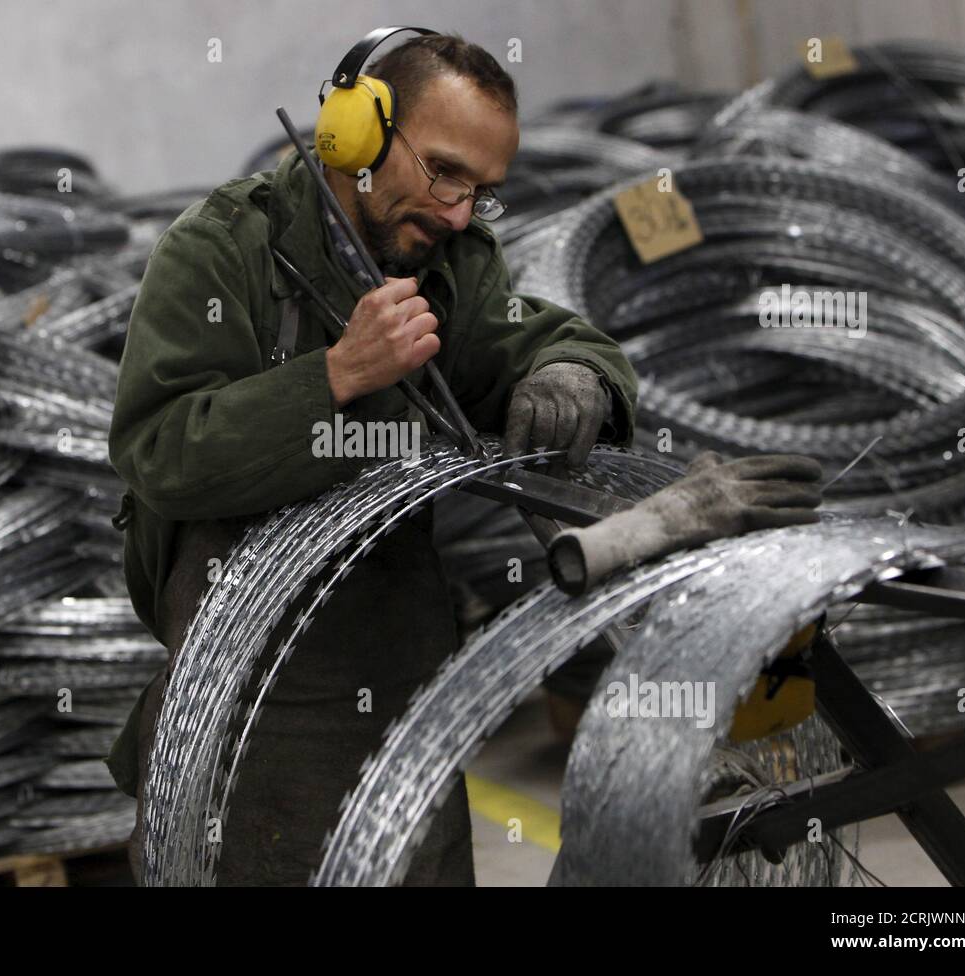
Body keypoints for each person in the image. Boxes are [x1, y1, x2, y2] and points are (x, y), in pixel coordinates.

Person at [103, 30, 639, 885]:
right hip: (251, 706)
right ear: (355, 132)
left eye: (481, 192)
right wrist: (335, 378)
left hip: (403, 679)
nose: (460, 211)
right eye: (443, 171)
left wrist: (573, 373)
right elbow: (160, 451)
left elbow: (525, 343)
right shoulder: (221, 253)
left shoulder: (449, 263)